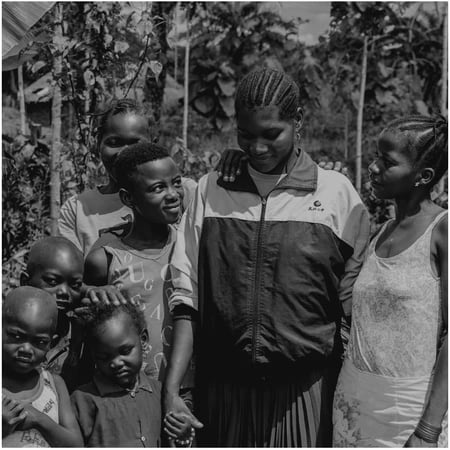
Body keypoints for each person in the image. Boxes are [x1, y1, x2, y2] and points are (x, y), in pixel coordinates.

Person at [164, 67, 371, 447]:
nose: (257, 147)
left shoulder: (337, 194)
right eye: (245, 135)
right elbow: (186, 294)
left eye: (271, 134)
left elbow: (357, 299)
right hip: (224, 392)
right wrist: (172, 388)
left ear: (298, 121)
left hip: (304, 392)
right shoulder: (212, 190)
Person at [332, 115, 448, 447]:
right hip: (353, 400)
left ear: (423, 176)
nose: (372, 167)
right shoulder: (380, 231)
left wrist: (428, 429)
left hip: (410, 410)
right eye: (376, 156)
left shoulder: (442, 230)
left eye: (387, 162)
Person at [84, 141, 194, 388]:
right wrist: (89, 292)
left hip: (187, 387)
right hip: (132, 391)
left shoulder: (189, 243)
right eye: (158, 188)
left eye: (177, 183)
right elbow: (82, 306)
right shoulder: (107, 259)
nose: (173, 194)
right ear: (128, 198)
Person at [58, 98, 197, 256]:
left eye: (135, 143)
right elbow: (72, 274)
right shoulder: (77, 210)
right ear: (97, 143)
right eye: (114, 142)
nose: (124, 152)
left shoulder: (182, 193)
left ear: (153, 144)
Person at [71, 303, 193, 447]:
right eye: (104, 357)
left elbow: (174, 442)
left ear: (143, 341)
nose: (116, 363)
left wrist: (183, 435)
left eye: (125, 351)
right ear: (94, 356)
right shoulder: (83, 400)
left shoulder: (159, 393)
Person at [20, 236, 127, 392]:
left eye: (74, 285)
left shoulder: (79, 332)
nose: (64, 292)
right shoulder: (9, 328)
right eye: (52, 281)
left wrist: (92, 292)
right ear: (25, 281)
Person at [2, 286, 83, 447]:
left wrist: (39, 419)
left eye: (39, 342)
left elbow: (76, 444)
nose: (26, 349)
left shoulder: (54, 384)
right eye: (16, 336)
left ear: (50, 344)